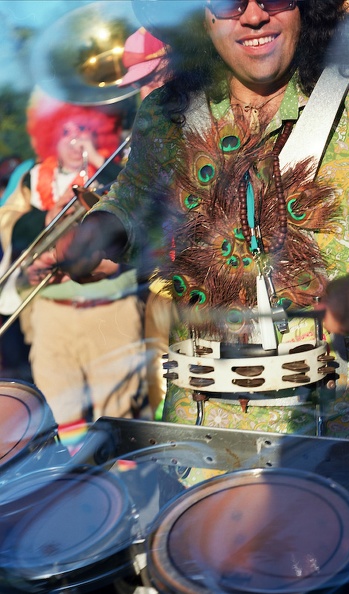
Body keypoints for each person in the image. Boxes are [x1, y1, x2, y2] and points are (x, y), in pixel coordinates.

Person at [54, 0, 349, 442]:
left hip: (333, 448)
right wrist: (101, 230)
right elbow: (132, 202)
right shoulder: (166, 115)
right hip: (192, 447)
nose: (253, 14)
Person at [0, 89, 146, 427]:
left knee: (118, 417)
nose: (75, 140)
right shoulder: (35, 181)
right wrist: (47, 217)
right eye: (66, 131)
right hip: (54, 314)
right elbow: (9, 229)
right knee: (62, 414)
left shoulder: (123, 174)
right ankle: (76, 477)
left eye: (84, 130)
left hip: (111, 312)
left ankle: (118, 479)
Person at [118, 26, 172, 419]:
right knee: (162, 399)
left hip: (220, 292)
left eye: (150, 80)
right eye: (138, 84)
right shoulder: (151, 131)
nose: (143, 94)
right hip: (163, 283)